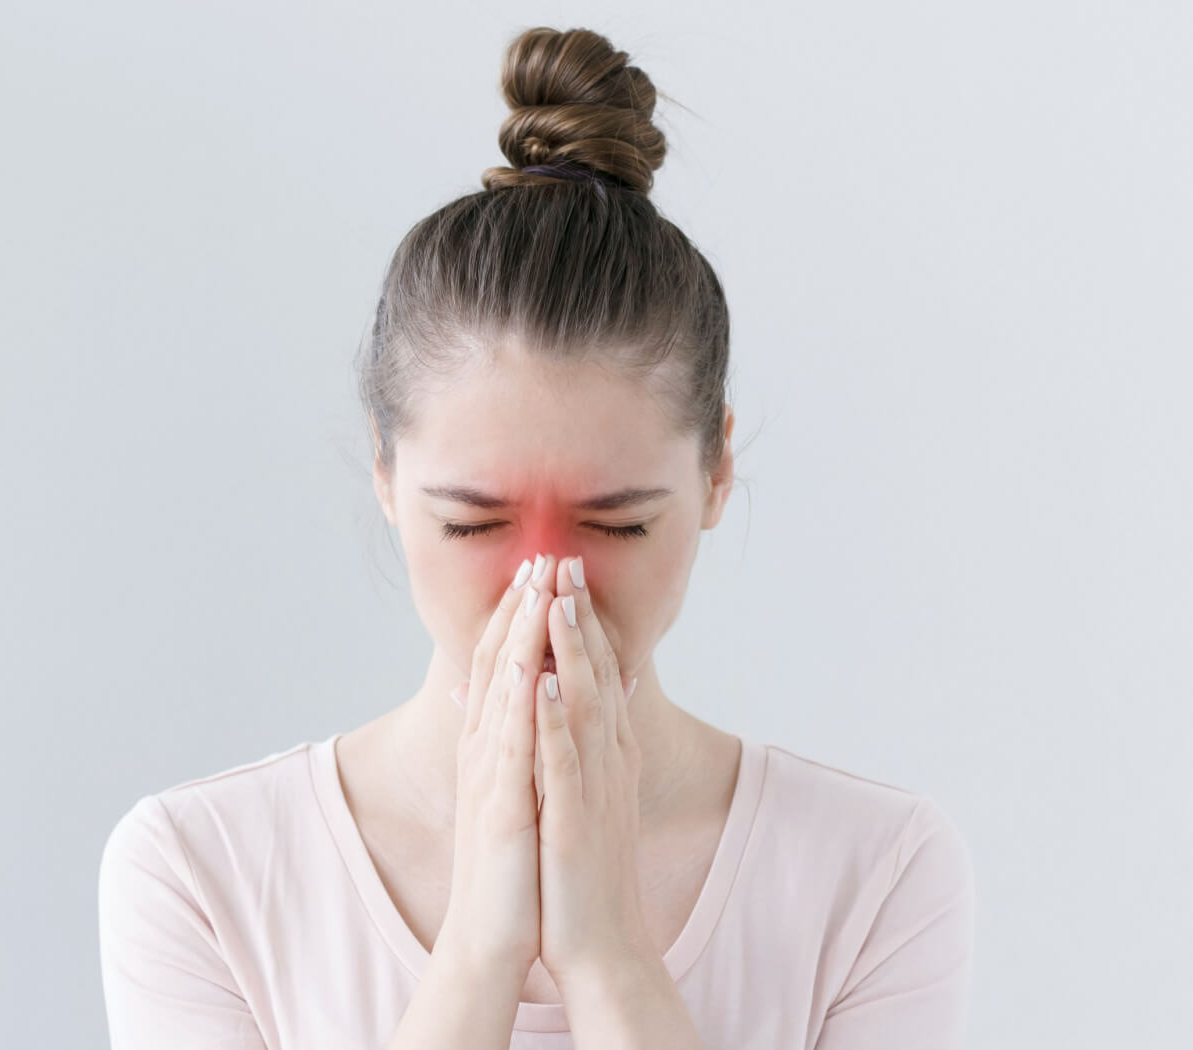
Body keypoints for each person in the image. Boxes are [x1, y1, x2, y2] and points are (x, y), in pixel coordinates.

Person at [97, 25, 975, 1050]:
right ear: (386, 473)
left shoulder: (874, 871)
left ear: (716, 472)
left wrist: (607, 955)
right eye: (474, 521)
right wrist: (478, 951)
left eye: (617, 522)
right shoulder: (202, 868)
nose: (545, 577)